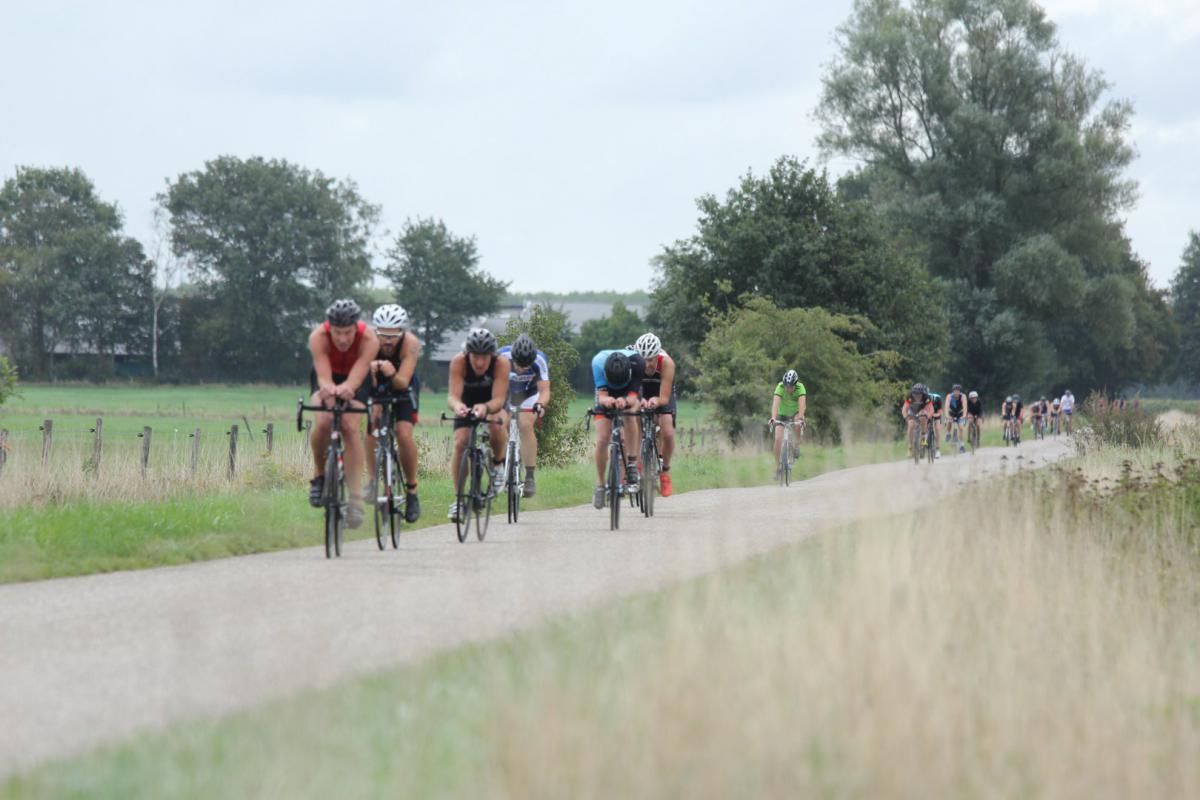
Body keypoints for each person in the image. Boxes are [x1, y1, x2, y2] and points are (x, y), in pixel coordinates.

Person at [307, 299, 379, 528]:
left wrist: (349, 387)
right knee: (325, 420)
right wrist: (327, 390)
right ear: (329, 328)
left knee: (349, 426)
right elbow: (323, 376)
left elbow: (358, 376)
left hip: (358, 378)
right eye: (337, 332)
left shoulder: (369, 339)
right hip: (327, 375)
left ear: (356, 327)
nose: (342, 339)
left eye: (347, 332)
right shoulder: (318, 337)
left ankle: (355, 499)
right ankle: (319, 477)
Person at [365, 304, 422, 523]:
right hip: (376, 386)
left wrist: (389, 370)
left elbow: (401, 381)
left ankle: (411, 490)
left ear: (402, 332)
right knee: (372, 427)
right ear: (376, 331)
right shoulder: (368, 342)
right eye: (383, 336)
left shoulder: (411, 344)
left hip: (403, 386)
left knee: (403, 433)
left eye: (393, 336)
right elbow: (362, 378)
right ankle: (371, 480)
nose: (387, 342)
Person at [446, 328, 510, 521]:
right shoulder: (459, 362)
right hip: (467, 400)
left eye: (484, 357)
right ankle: (458, 500)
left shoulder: (501, 363)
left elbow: (499, 400)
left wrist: (485, 407)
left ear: (492, 355)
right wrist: (458, 407)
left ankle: (498, 464)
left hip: (491, 401)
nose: (480, 362)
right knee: (460, 442)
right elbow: (452, 397)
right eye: (475, 357)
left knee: (497, 426)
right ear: (468, 354)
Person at [496, 333, 550, 498]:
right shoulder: (501, 357)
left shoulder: (539, 360)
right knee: (500, 424)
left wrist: (540, 404)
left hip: (528, 394)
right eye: (519, 365)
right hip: (506, 392)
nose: (521, 369)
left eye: (526, 366)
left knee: (525, 425)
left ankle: (529, 477)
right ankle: (503, 463)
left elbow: (545, 390)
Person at [591, 347, 645, 509]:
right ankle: (601, 484)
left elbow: (633, 396)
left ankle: (631, 463)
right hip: (607, 391)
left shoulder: (638, 362)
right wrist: (606, 401)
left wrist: (624, 401)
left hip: (628, 391)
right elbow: (601, 396)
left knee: (630, 415)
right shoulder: (598, 363)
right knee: (602, 438)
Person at [634, 332, 678, 497]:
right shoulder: (634, 364)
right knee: (634, 418)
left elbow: (664, 398)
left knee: (667, 430)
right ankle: (638, 463)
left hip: (661, 391)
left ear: (657, 356)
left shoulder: (667, 363)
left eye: (651, 359)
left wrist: (656, 400)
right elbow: (633, 391)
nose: (647, 364)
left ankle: (665, 472)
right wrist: (640, 401)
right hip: (642, 390)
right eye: (644, 359)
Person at [769, 369, 806, 476]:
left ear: (795, 384)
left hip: (795, 413)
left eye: (790, 387)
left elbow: (802, 405)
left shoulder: (800, 388)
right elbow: (775, 404)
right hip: (782, 414)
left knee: (797, 420)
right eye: (786, 386)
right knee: (777, 439)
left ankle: (797, 445)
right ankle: (777, 467)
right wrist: (773, 417)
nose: (788, 389)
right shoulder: (780, 387)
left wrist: (801, 418)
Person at [902, 383, 934, 455]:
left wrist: (928, 417)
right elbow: (904, 408)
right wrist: (905, 417)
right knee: (911, 425)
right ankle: (910, 447)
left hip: (922, 410)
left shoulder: (926, 397)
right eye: (915, 394)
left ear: (922, 393)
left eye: (919, 394)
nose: (917, 396)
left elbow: (931, 409)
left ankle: (923, 438)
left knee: (923, 416)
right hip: (912, 410)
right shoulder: (910, 396)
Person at [945, 384, 968, 453]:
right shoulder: (949, 396)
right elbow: (946, 407)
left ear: (959, 391)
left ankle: (961, 446)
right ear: (953, 391)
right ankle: (948, 433)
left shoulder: (963, 396)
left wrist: (964, 415)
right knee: (949, 421)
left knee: (961, 428)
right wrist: (947, 416)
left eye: (958, 391)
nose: (956, 392)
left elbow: (965, 407)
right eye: (955, 391)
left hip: (960, 413)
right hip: (951, 412)